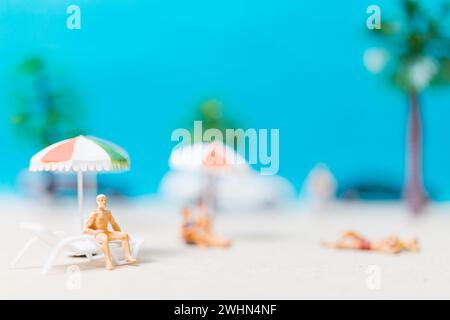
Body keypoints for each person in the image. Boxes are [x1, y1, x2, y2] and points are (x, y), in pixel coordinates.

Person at [84, 194, 137, 270]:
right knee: (104, 238)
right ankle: (108, 261)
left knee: (124, 235)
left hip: (106, 232)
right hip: (99, 234)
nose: (103, 202)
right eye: (101, 200)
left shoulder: (108, 213)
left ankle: (127, 256)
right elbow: (85, 229)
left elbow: (114, 224)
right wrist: (95, 232)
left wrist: (120, 233)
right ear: (97, 201)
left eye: (105, 200)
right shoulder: (94, 214)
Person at [322, 230, 419, 254]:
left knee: (344, 245)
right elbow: (393, 236)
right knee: (349, 232)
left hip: (365, 245)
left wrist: (392, 245)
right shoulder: (399, 242)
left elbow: (392, 251)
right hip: (366, 241)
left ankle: (330, 244)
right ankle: (331, 243)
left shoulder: (393, 247)